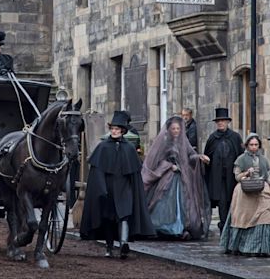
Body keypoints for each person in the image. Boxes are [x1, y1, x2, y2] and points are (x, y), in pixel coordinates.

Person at [80, 111, 155, 259]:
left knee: (125, 215)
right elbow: (97, 170)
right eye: (112, 128)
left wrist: (135, 190)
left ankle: (123, 244)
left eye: (117, 129)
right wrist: (101, 188)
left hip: (124, 188)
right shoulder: (102, 147)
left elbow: (134, 172)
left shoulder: (129, 148)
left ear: (122, 131)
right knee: (108, 218)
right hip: (107, 188)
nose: (114, 131)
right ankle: (109, 247)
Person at [142, 116, 211, 240]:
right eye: (173, 128)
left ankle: (179, 227)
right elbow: (157, 159)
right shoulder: (164, 143)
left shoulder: (184, 143)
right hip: (168, 178)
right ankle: (164, 227)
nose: (176, 131)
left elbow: (191, 156)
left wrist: (199, 157)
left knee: (184, 202)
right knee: (165, 202)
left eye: (178, 128)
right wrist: (169, 166)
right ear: (169, 129)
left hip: (182, 178)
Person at [220, 133, 270, 257]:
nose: (254, 147)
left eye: (256, 144)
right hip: (245, 190)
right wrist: (247, 172)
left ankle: (263, 248)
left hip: (261, 189)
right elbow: (237, 176)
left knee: (266, 215)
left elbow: (267, 175)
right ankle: (242, 247)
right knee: (243, 217)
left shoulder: (263, 159)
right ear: (246, 146)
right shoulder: (241, 159)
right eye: (251, 145)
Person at [203, 107, 243, 234]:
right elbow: (207, 156)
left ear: (227, 122)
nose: (220, 123)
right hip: (217, 177)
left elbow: (240, 156)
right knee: (221, 202)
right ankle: (223, 227)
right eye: (218, 121)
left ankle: (232, 226)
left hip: (232, 176)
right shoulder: (212, 138)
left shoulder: (235, 137)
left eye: (223, 121)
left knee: (233, 200)